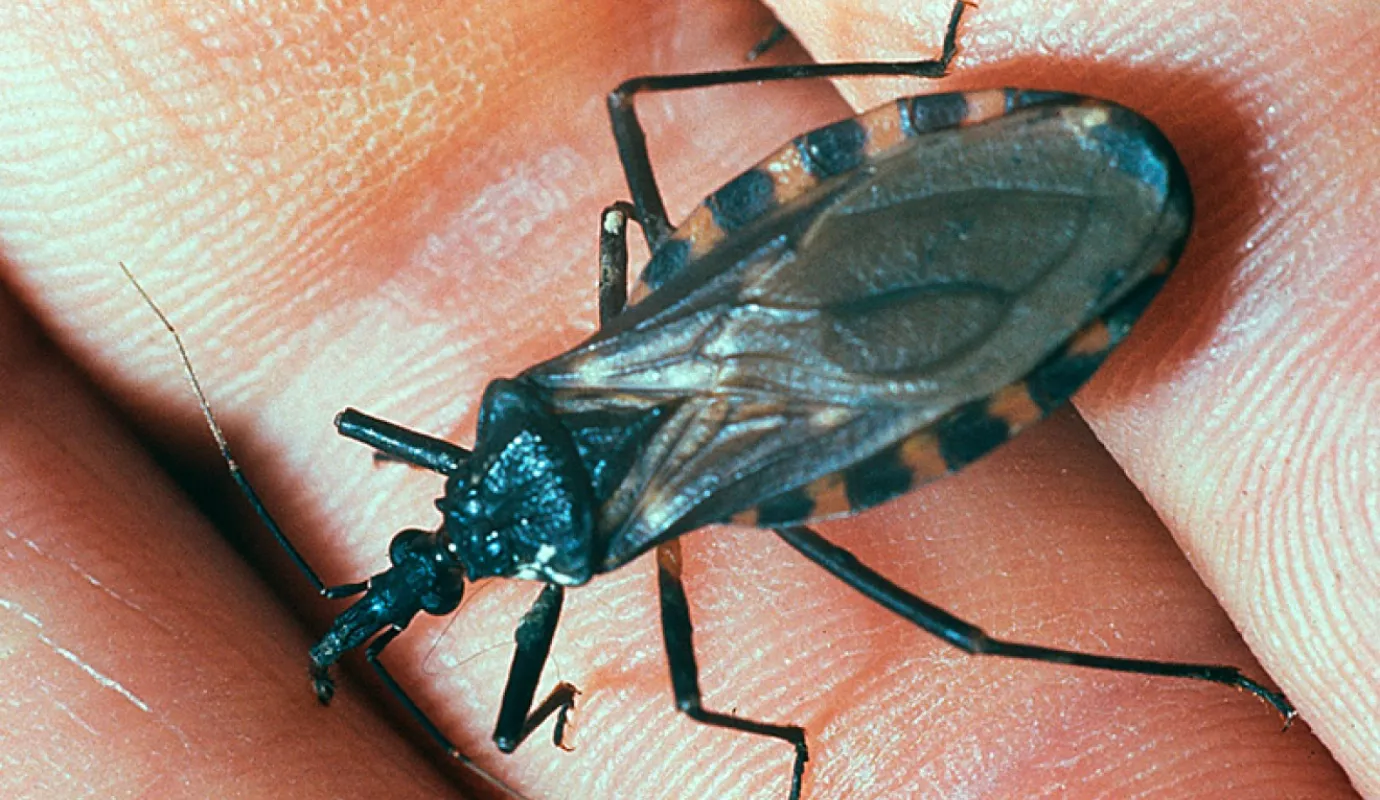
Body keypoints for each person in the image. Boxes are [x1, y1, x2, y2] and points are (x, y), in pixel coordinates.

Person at [0, 0, 1369, 797]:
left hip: (769, 448)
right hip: (718, 303)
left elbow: (591, 721)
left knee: (953, 642)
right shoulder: (508, 422)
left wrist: (762, 746)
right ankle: (930, 71)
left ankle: (1220, 679)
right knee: (631, 132)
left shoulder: (563, 577)